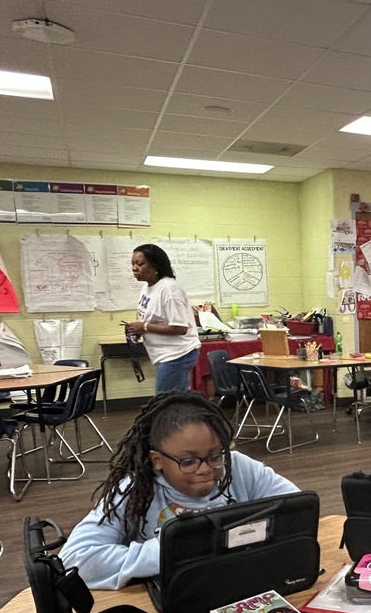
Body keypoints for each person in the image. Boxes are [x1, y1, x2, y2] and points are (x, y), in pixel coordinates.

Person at [60, 392, 300, 589]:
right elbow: (74, 560)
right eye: (188, 461)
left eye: (215, 456)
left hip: (239, 588)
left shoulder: (238, 466)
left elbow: (298, 510)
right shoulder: (133, 490)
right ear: (157, 460)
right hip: (173, 604)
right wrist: (173, 550)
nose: (205, 469)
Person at [125, 244, 201, 394]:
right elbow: (153, 319)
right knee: (175, 400)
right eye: (132, 264)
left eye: (140, 264)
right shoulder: (148, 286)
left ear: (155, 265)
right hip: (163, 354)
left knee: (165, 402)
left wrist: (144, 327)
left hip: (178, 354)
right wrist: (139, 329)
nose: (134, 268)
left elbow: (180, 328)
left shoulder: (169, 289)